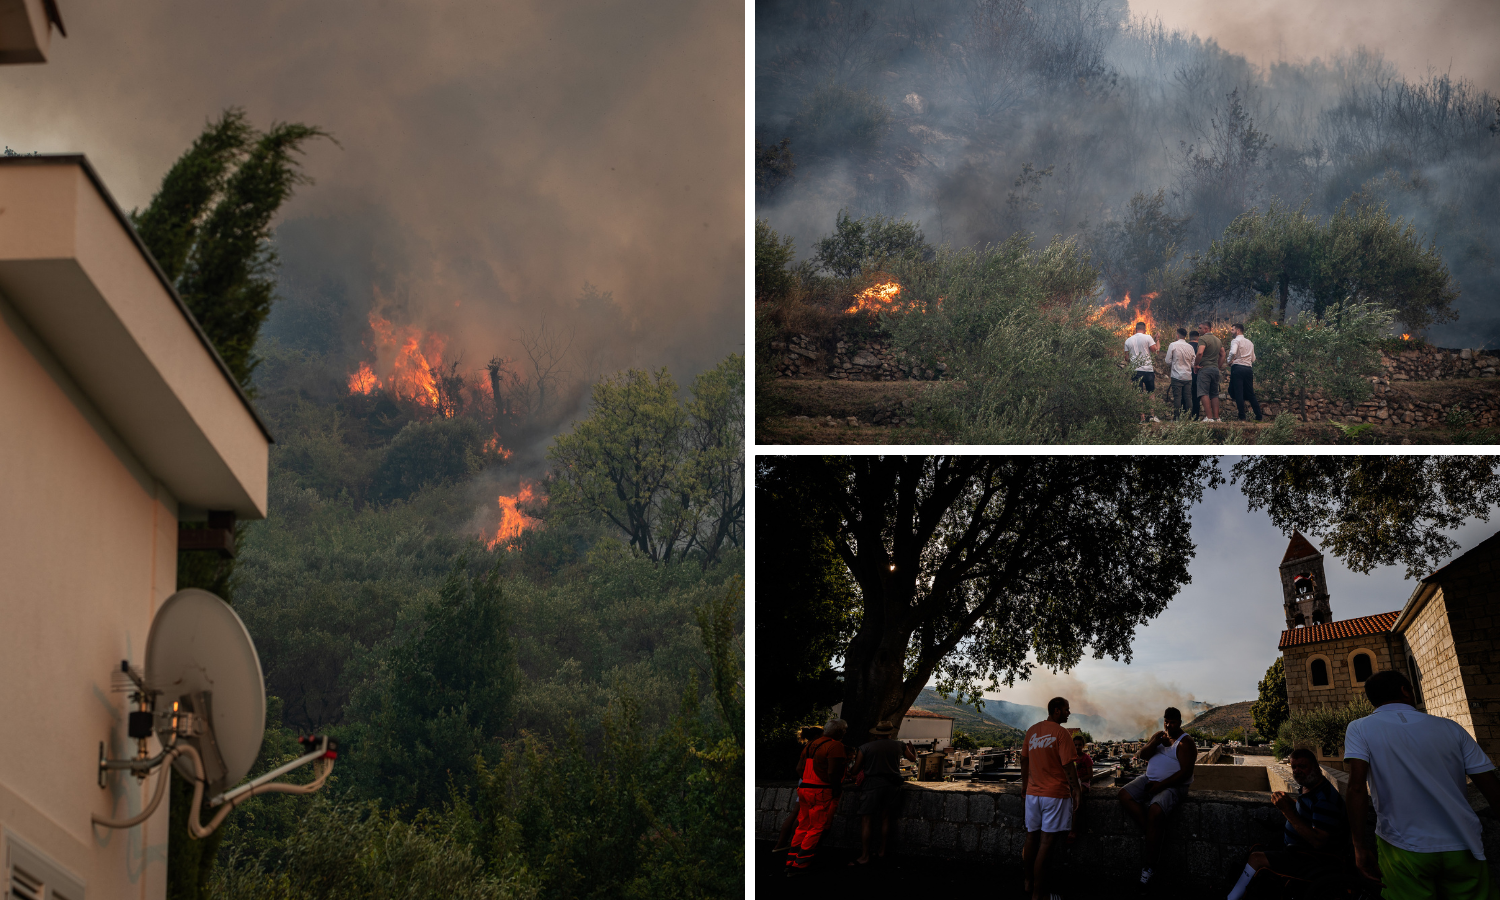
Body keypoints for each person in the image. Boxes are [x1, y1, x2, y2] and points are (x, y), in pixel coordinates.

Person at [1344, 669, 1500, 899]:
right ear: (1405, 691)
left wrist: (1358, 845)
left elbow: (1356, 787)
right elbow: (1490, 785)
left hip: (1402, 847)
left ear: (1372, 700)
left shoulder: (1359, 728)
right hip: (1462, 844)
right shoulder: (1451, 727)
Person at [1225, 748, 1350, 899]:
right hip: (1297, 848)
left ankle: (1232, 897)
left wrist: (1287, 811)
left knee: (1256, 858)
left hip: (1311, 857)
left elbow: (1318, 841)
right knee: (1255, 849)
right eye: (1294, 767)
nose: (1297, 771)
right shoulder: (1309, 787)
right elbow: (1310, 812)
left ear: (1316, 768)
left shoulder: (1324, 799)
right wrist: (1292, 803)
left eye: (1302, 766)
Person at [1118, 707, 1196, 892]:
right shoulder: (1160, 736)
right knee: (1124, 794)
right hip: (1148, 779)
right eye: (1166, 721)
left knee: (1155, 810)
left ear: (1180, 722)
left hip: (1173, 786)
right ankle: (1151, 831)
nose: (1168, 725)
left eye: (1173, 722)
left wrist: (1160, 786)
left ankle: (1149, 867)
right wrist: (1154, 741)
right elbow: (1143, 755)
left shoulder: (1186, 743)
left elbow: (1185, 773)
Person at [1021, 697, 1082, 900]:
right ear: (1057, 711)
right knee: (1046, 844)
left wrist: (1024, 786)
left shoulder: (1032, 731)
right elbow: (1068, 765)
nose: (1069, 713)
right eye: (1066, 709)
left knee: (1031, 838)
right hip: (1054, 795)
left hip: (1033, 794)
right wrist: (1077, 790)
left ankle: (1028, 882)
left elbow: (1023, 759)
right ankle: (1040, 894)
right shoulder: (1061, 733)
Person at [786, 718, 849, 876]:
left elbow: (799, 768)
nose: (845, 733)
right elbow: (832, 772)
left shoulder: (809, 745)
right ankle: (801, 864)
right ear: (839, 732)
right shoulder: (835, 746)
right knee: (816, 827)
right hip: (821, 791)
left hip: (805, 789)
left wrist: (808, 781)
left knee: (803, 825)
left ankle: (791, 860)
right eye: (844, 730)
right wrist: (835, 788)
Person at [849, 719, 917, 865]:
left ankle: (865, 855)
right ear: (890, 734)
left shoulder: (865, 747)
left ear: (876, 733)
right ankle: (882, 850)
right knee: (885, 818)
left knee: (866, 820)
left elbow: (855, 770)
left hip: (871, 786)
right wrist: (913, 748)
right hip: (892, 786)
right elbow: (913, 759)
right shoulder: (899, 745)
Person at [772, 726, 827, 853]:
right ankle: (794, 844)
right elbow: (801, 768)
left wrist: (804, 778)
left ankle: (780, 844)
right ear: (816, 736)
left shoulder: (806, 748)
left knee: (794, 813)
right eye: (822, 735)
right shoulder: (815, 748)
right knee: (801, 815)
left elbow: (798, 768)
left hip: (803, 782)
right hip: (810, 783)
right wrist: (810, 779)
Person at [1124, 322, 1160, 423]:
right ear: (1145, 330)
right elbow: (1155, 351)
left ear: (1135, 330)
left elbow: (1126, 358)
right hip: (1147, 370)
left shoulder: (1128, 340)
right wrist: (1157, 340)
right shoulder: (1148, 337)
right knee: (1151, 393)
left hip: (1135, 370)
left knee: (1138, 394)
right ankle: (1152, 416)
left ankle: (1142, 418)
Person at [1227, 323, 1263, 422]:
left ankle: (1242, 417)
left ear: (1238, 330)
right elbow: (1254, 359)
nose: (1231, 331)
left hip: (1238, 368)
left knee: (1238, 393)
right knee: (1251, 393)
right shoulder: (1250, 342)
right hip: (1248, 369)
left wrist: (1229, 361)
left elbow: (1233, 352)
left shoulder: (1235, 341)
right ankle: (1258, 416)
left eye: (1232, 329)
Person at [1068, 733, 1094, 844]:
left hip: (1083, 783)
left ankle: (1074, 829)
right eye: (1075, 745)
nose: (1077, 747)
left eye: (1079, 745)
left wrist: (1080, 779)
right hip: (1073, 783)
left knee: (1075, 794)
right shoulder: (1071, 758)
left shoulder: (1086, 758)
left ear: (1083, 746)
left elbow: (1090, 775)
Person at [1196, 321, 1225, 422]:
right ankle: (1216, 418)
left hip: (1205, 369)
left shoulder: (1203, 339)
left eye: (1200, 328)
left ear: (1206, 329)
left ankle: (1209, 418)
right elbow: (1223, 354)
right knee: (1214, 394)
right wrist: (1218, 366)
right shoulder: (1217, 340)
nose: (1198, 330)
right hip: (1214, 370)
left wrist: (1196, 365)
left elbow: (1200, 353)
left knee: (1203, 392)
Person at [1165, 327, 1196, 420]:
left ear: (1177, 335)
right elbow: (1193, 363)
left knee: (1177, 397)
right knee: (1188, 397)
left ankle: (1177, 418)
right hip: (1188, 376)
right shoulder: (1190, 347)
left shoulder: (1173, 345)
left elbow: (1167, 361)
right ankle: (1189, 417)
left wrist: (1174, 364)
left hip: (1176, 375)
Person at [1188, 330, 1203, 419]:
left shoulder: (1186, 346)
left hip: (1186, 373)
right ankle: (1195, 416)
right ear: (1198, 338)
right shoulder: (1201, 347)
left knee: (1185, 395)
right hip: (1198, 373)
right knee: (1196, 396)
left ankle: (1185, 415)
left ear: (1189, 337)